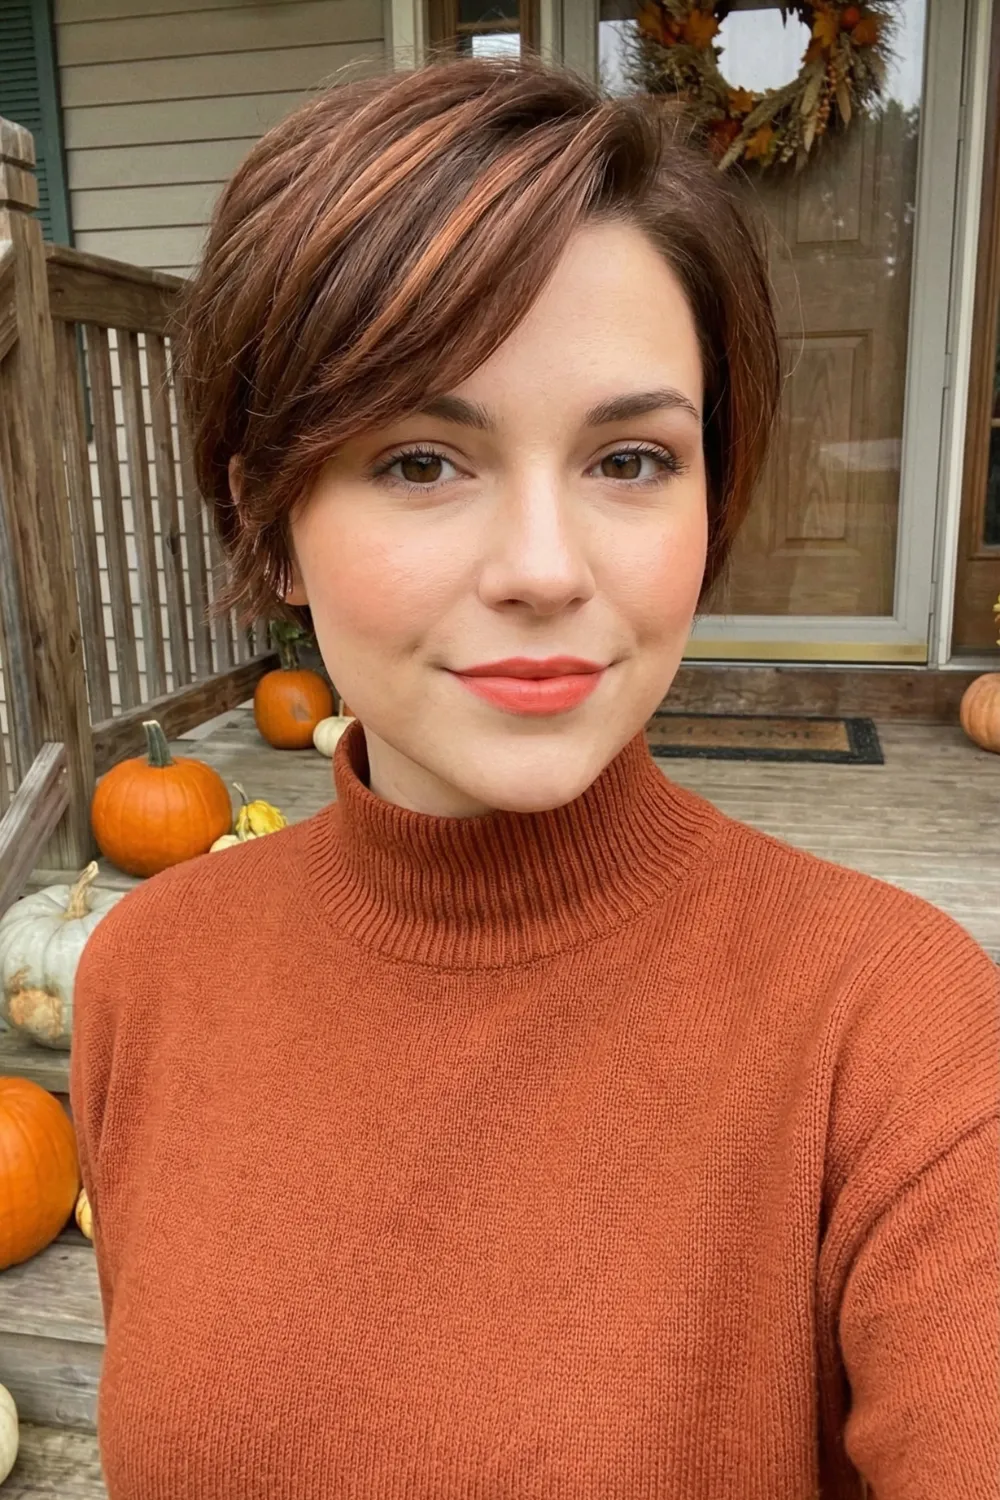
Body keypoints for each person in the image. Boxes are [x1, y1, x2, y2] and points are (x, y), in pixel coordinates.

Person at [69, 54, 999, 1500]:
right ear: (267, 521)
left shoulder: (900, 1038)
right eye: (421, 461)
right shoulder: (147, 978)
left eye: (630, 460)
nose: (547, 572)